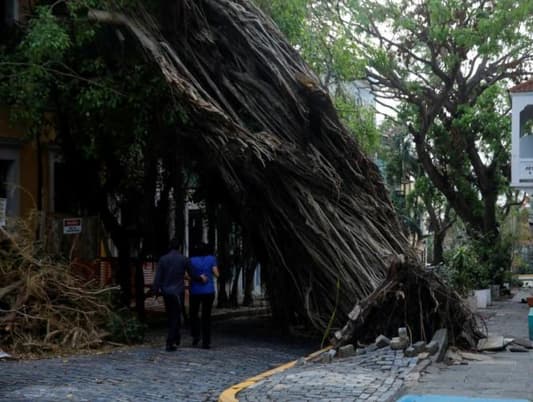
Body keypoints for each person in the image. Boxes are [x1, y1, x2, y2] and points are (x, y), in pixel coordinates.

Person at [153, 238, 189, 351]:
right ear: (179, 247)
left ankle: (175, 337)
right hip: (178, 292)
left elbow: (158, 277)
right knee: (176, 316)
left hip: (166, 291)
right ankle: (170, 341)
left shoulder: (163, 259)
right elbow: (191, 272)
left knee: (171, 315)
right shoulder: (183, 259)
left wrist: (155, 291)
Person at [189, 242, 219, 349]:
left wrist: (197, 277)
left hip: (195, 291)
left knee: (193, 314)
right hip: (208, 291)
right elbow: (216, 274)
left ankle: (196, 336)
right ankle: (206, 342)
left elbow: (187, 275)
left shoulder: (191, 260)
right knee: (206, 316)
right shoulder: (211, 259)